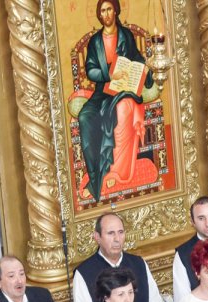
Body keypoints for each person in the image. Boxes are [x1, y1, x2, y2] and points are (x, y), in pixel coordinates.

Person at [77, 0, 156, 202]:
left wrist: (142, 69)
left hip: (125, 90)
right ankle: (96, 176)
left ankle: (117, 172)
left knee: (122, 110)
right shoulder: (95, 42)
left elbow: (137, 58)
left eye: (109, 9)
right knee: (86, 117)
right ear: (99, 14)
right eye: (102, 10)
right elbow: (91, 70)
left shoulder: (125, 35)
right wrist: (110, 74)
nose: (106, 14)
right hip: (104, 90)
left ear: (116, 10)